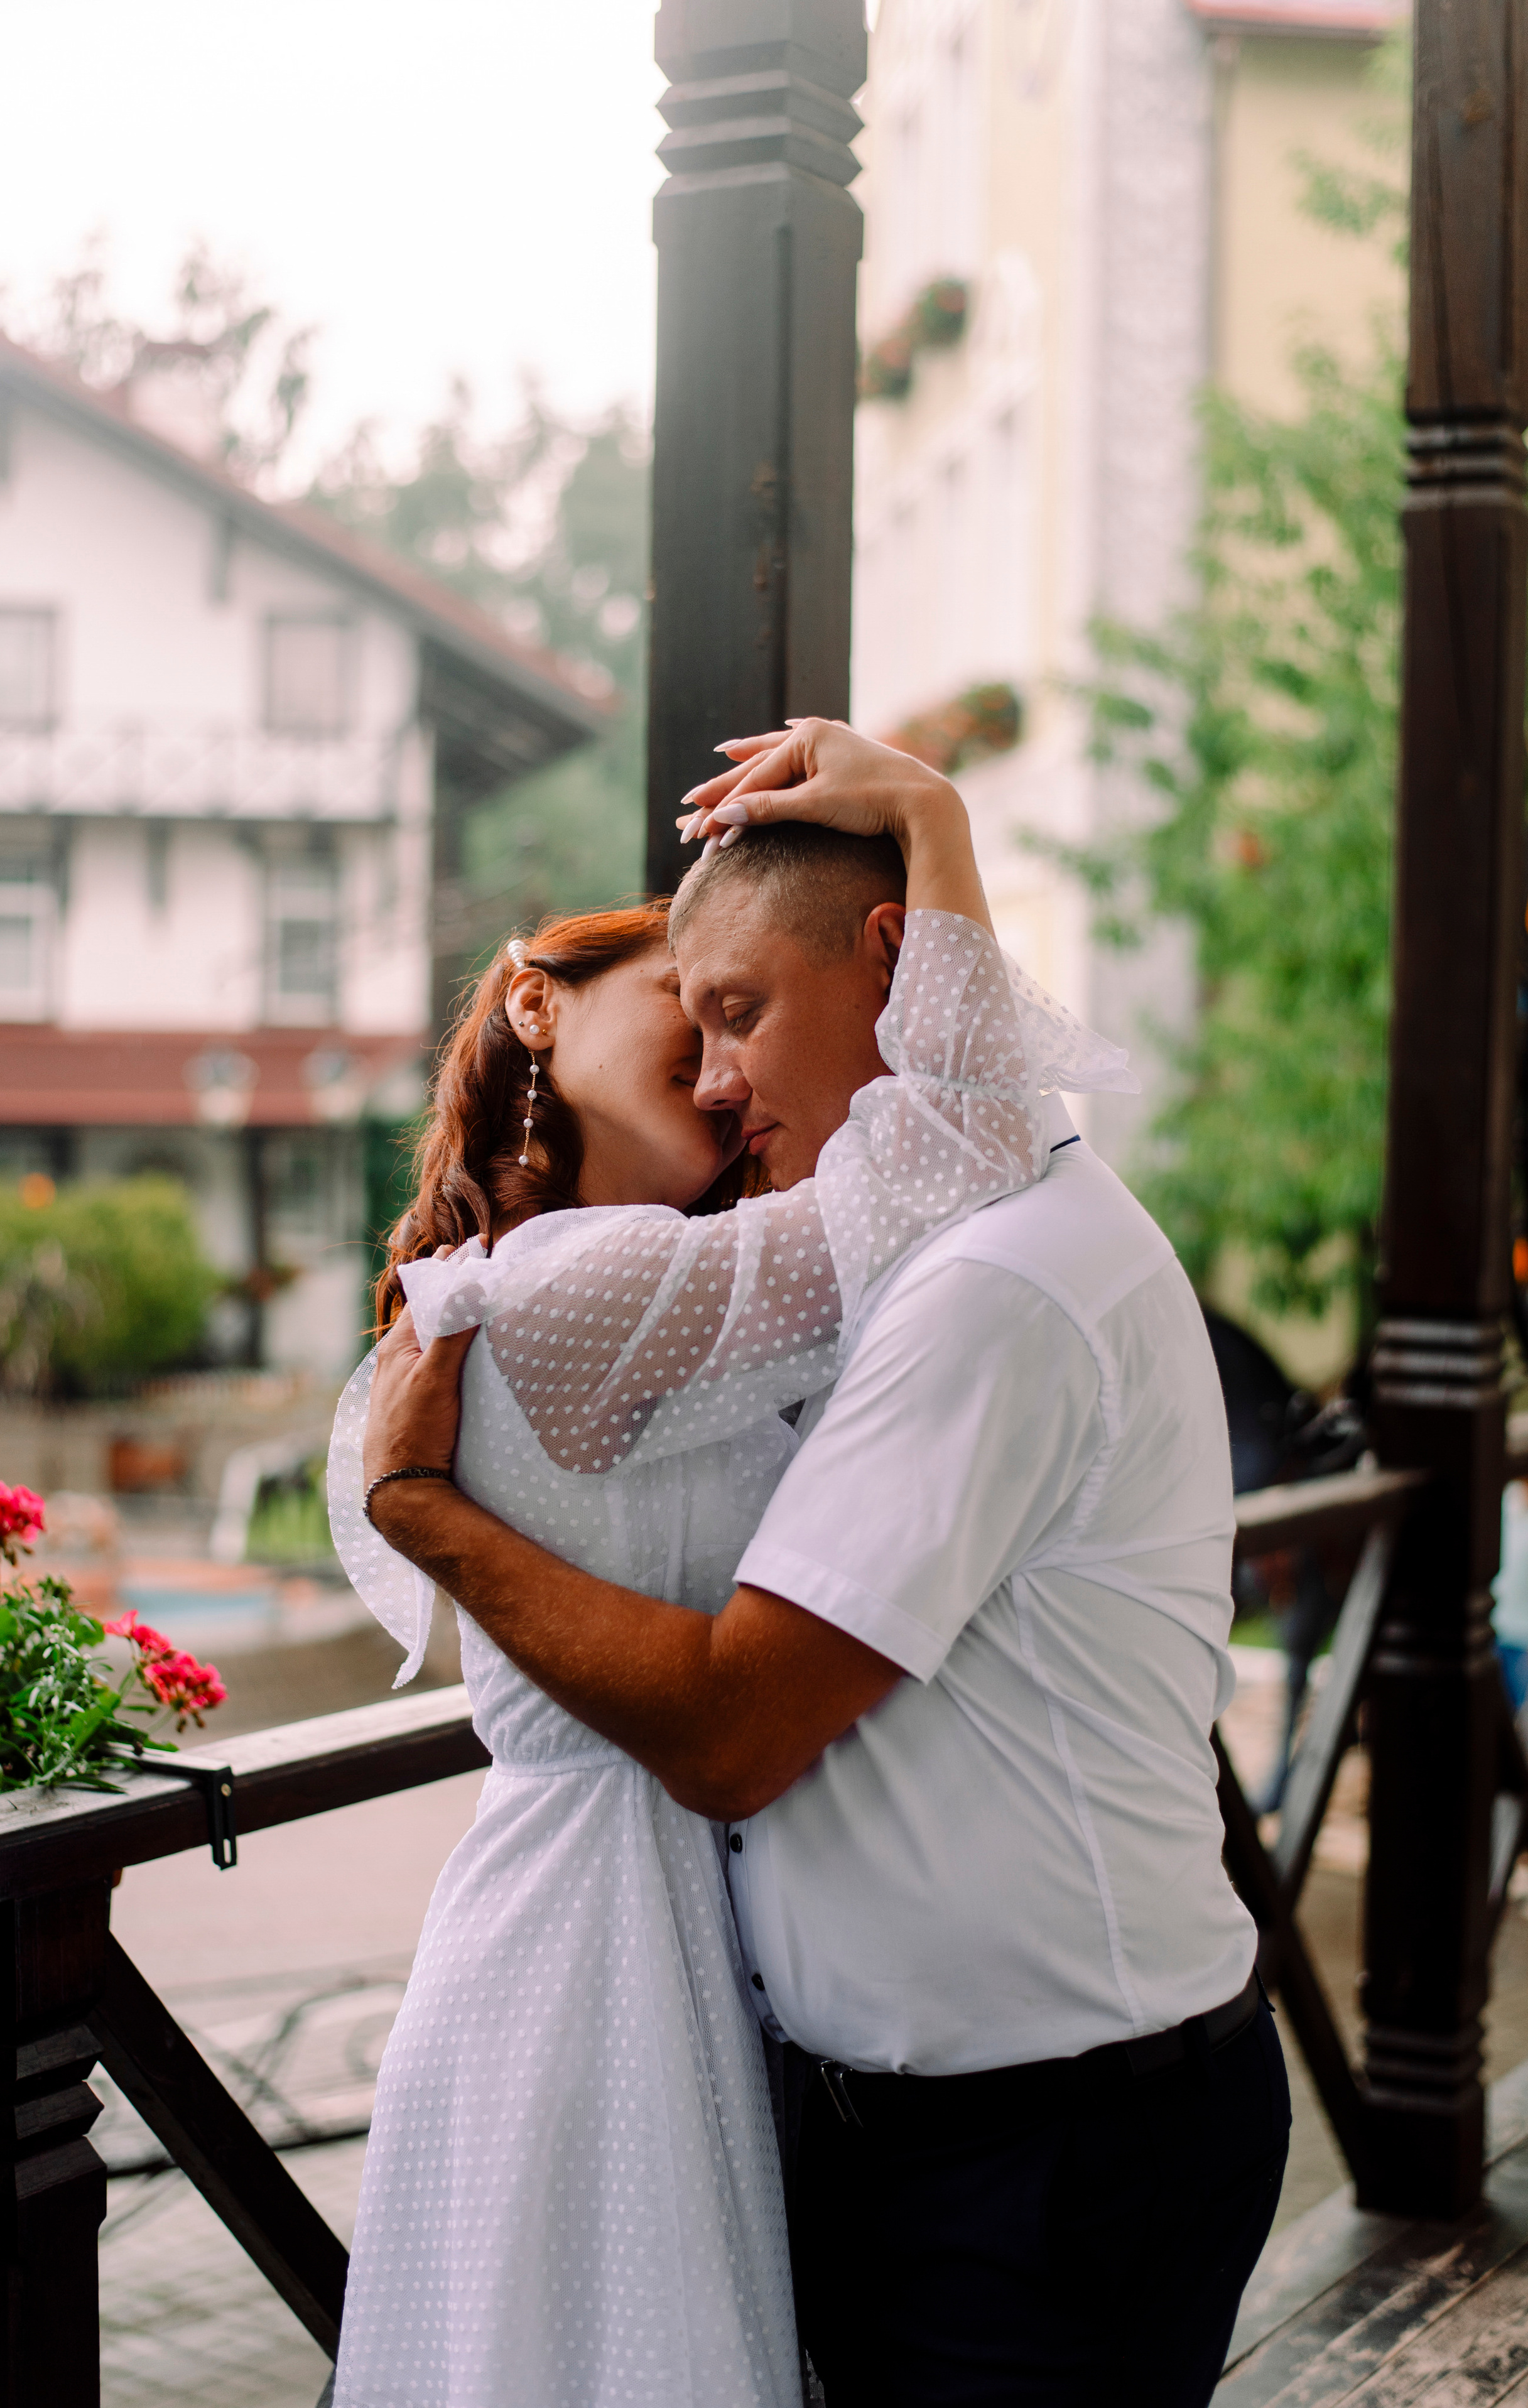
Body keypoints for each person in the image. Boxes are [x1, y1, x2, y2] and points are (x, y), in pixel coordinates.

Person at [359, 719, 1291, 2408]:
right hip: (876, 2111)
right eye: (690, 1022)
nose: (716, 1080)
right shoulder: (873, 1252)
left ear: (886, 962)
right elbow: (954, 1122)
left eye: (737, 1012)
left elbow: (734, 1733)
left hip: (1052, 2142)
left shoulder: (986, 1285)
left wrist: (430, 1517)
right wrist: (928, 828)